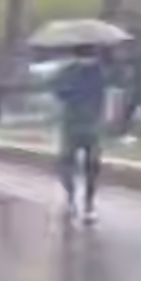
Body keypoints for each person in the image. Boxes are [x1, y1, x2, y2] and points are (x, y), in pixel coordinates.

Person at [50, 44, 108, 226]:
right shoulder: (97, 71)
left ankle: (75, 200)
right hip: (87, 126)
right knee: (88, 167)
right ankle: (85, 205)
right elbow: (103, 95)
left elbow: (57, 93)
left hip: (76, 125)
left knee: (70, 164)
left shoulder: (67, 72)